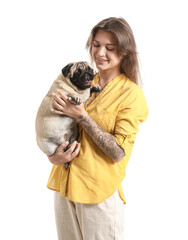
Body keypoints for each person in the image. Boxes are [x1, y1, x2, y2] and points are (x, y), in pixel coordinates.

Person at [47, 17, 148, 240]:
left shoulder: (131, 94)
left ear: (124, 52)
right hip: (66, 186)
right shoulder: (79, 80)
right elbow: (54, 125)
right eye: (96, 45)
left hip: (98, 192)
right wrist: (53, 156)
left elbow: (118, 153)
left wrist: (82, 116)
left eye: (110, 48)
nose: (100, 53)